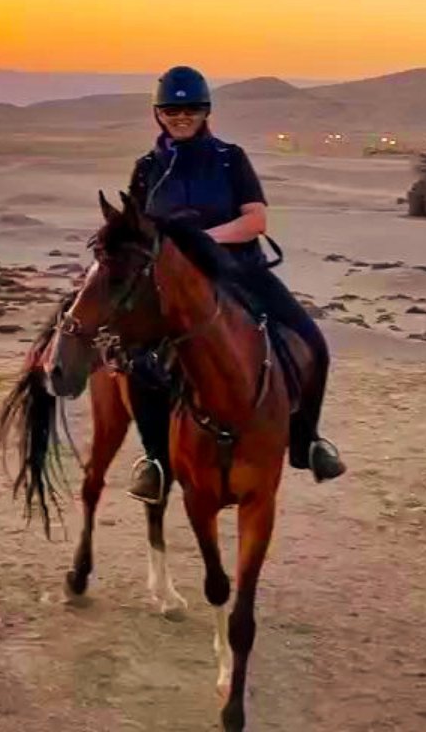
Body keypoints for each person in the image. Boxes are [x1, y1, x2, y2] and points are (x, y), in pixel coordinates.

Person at [122, 64, 346, 504]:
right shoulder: (148, 168)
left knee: (311, 340)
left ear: (206, 111)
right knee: (137, 362)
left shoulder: (230, 159)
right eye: (171, 109)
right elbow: (136, 230)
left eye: (191, 108)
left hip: (240, 272)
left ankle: (307, 443)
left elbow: (255, 221)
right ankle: (155, 461)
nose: (181, 116)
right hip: (175, 285)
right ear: (158, 113)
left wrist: (200, 240)